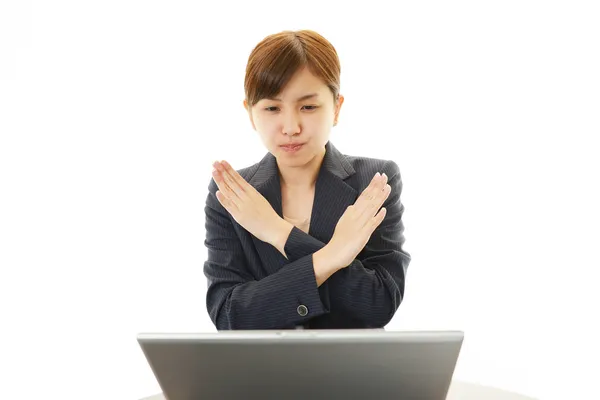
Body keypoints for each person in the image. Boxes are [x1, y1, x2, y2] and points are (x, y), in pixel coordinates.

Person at [203, 30, 411, 330]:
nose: (290, 127)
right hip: (260, 374)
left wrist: (278, 231)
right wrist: (331, 256)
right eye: (272, 108)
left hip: (352, 373)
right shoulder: (233, 194)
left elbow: (379, 304)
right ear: (250, 113)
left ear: (336, 108)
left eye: (308, 107)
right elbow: (228, 314)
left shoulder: (373, 183)